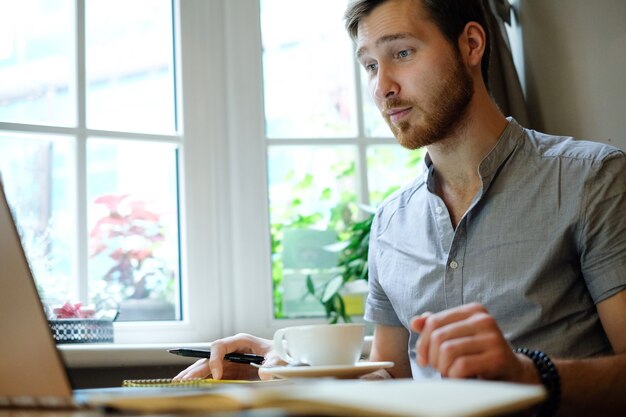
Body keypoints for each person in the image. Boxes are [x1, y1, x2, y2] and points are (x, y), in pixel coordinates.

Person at [175, 0, 626, 415]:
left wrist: (530, 376)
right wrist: (287, 362)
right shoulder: (390, 223)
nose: (382, 86)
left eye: (402, 54)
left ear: (471, 44)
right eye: (370, 65)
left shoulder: (592, 179)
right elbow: (389, 381)